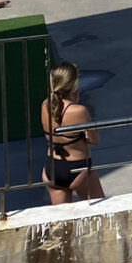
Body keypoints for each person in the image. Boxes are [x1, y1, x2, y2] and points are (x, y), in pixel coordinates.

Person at [40, 62, 103, 204]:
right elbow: (94, 140)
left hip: (53, 166)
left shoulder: (45, 105)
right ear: (74, 85)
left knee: (61, 221)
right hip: (78, 168)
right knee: (99, 212)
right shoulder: (79, 110)